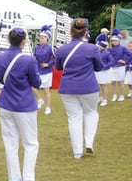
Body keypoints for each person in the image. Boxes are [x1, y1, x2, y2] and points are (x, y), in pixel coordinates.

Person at [0, 28, 42, 181]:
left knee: (10, 143)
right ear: (24, 41)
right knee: (31, 143)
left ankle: (14, 180)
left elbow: (0, 78)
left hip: (6, 103)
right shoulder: (28, 60)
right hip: (24, 104)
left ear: (8, 40)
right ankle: (28, 177)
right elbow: (36, 82)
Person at [55, 18, 103, 159]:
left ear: (70, 32)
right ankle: (89, 142)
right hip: (88, 86)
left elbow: (58, 67)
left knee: (74, 118)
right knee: (91, 113)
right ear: (85, 32)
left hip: (68, 87)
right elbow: (99, 67)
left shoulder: (62, 49)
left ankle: (77, 152)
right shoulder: (92, 48)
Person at [32, 25, 54, 114]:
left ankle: (48, 107)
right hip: (37, 70)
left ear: (47, 39)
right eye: (40, 38)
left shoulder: (50, 47)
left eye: (43, 38)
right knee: (32, 87)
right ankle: (39, 100)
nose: (41, 39)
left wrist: (48, 64)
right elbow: (34, 56)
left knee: (46, 90)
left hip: (47, 71)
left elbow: (57, 59)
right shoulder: (36, 47)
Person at [108, 29, 128, 102]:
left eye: (115, 40)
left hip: (120, 67)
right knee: (113, 82)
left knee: (120, 81)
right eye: (112, 40)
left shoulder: (123, 48)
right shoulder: (110, 49)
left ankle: (121, 95)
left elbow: (130, 55)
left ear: (119, 40)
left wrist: (125, 61)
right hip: (112, 67)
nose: (113, 42)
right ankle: (114, 95)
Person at [94, 35, 113, 106]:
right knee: (97, 86)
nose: (97, 48)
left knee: (103, 85)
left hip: (104, 72)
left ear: (102, 47)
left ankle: (105, 100)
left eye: (99, 47)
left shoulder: (107, 53)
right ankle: (99, 98)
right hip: (97, 71)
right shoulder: (96, 53)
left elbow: (112, 62)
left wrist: (105, 67)